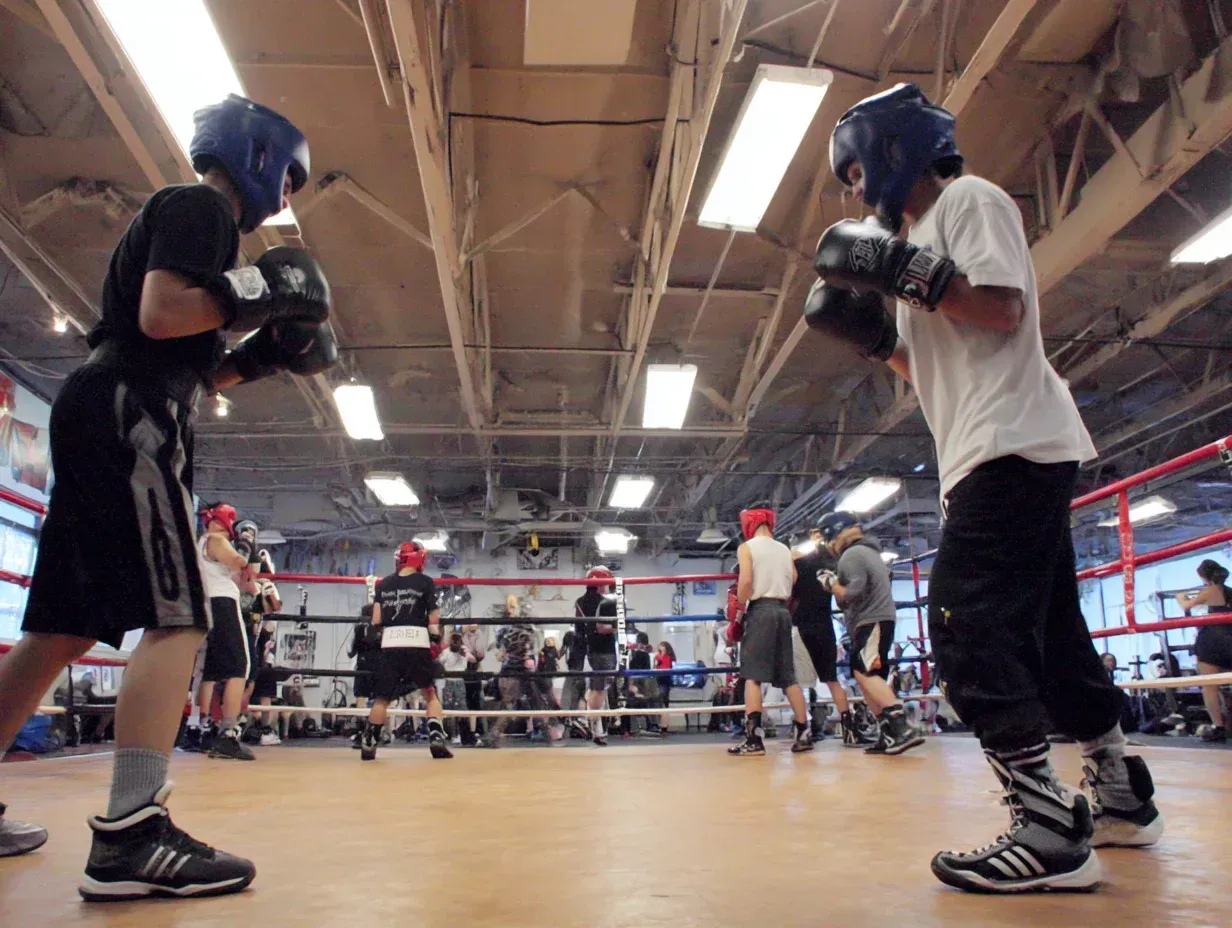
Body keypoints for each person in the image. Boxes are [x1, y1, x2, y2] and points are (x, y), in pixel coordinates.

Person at [810, 82, 1161, 892]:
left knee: (966, 621)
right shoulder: (922, 237)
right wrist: (873, 339)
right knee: (1054, 637)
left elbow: (1000, 308)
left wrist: (901, 270)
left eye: (856, 173)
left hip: (1010, 443)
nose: (855, 193)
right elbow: (929, 363)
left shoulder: (968, 199)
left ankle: (1044, 827)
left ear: (892, 151)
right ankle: (1118, 797)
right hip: (992, 442)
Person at [0, 94, 336, 895]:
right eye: (287, 179)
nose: (284, 200)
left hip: (116, 404)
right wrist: (259, 294)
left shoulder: (202, 233)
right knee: (180, 615)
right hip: (130, 416)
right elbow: (159, 317)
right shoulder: (200, 208)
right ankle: (131, 835)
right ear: (255, 156)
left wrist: (260, 356)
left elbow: (190, 365)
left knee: (58, 632)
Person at [818, 512, 923, 756]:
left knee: (864, 671)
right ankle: (888, 733)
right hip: (874, 618)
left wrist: (830, 583)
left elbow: (850, 594)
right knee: (866, 673)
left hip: (871, 619)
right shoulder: (868, 552)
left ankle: (903, 725)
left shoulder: (853, 554)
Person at [727, 506, 812, 756]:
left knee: (752, 676)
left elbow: (745, 582)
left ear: (748, 524)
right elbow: (794, 577)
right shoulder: (784, 548)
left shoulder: (747, 547)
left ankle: (753, 739)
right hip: (782, 612)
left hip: (760, 610)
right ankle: (804, 732)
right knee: (787, 677)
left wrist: (740, 609)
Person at [358, 542, 451, 761]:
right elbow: (433, 619)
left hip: (390, 642)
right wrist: (436, 639)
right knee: (429, 693)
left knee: (382, 698)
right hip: (417, 641)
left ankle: (369, 743)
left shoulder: (384, 583)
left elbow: (376, 620)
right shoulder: (426, 582)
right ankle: (436, 736)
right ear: (420, 560)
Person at [191, 504, 258, 761]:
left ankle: (205, 729)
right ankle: (229, 734)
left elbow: (248, 585)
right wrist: (245, 548)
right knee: (239, 667)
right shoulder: (216, 539)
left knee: (213, 671)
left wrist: (247, 561)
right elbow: (237, 561)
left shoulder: (202, 543)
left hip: (209, 605)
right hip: (222, 604)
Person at [791, 525, 862, 745]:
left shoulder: (797, 563)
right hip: (824, 625)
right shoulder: (833, 566)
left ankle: (803, 731)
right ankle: (850, 731)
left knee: (798, 684)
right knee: (832, 680)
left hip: (801, 625)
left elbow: (789, 591)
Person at [485, 596, 560, 747]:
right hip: (514, 669)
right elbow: (505, 650)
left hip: (521, 670)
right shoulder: (511, 629)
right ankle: (493, 736)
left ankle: (547, 735)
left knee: (534, 702)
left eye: (513, 607)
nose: (511, 610)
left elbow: (507, 652)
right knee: (513, 704)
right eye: (510, 607)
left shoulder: (520, 629)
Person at [1176, 558, 1232, 743]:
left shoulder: (1210, 591)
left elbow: (1186, 606)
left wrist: (1181, 596)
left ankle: (1219, 727)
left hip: (1212, 641)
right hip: (1229, 636)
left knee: (1209, 687)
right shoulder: (1229, 591)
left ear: (1203, 576)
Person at [576, 566, 620, 746]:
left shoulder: (579, 601)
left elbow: (579, 629)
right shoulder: (607, 602)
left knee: (595, 689)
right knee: (600, 690)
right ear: (602, 584)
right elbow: (604, 628)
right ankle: (588, 720)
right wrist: (620, 628)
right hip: (605, 650)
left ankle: (597, 730)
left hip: (590, 650)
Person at [348, 604, 382, 747]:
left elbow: (350, 652)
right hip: (378, 668)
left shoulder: (360, 629)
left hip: (363, 666)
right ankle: (372, 733)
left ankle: (361, 733)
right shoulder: (383, 628)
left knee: (361, 700)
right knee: (378, 701)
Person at [438, 632, 472, 743]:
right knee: (448, 709)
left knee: (461, 709)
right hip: (449, 681)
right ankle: (451, 734)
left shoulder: (464, 651)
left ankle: (463, 735)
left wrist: (465, 652)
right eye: (453, 640)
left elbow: (473, 659)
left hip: (459, 682)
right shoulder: (446, 652)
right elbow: (439, 663)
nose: (454, 643)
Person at [655, 641, 676, 735]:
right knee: (660, 702)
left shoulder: (668, 657)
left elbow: (666, 666)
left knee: (664, 702)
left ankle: (664, 727)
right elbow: (656, 666)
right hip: (658, 679)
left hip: (665, 680)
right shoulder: (657, 656)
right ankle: (660, 725)